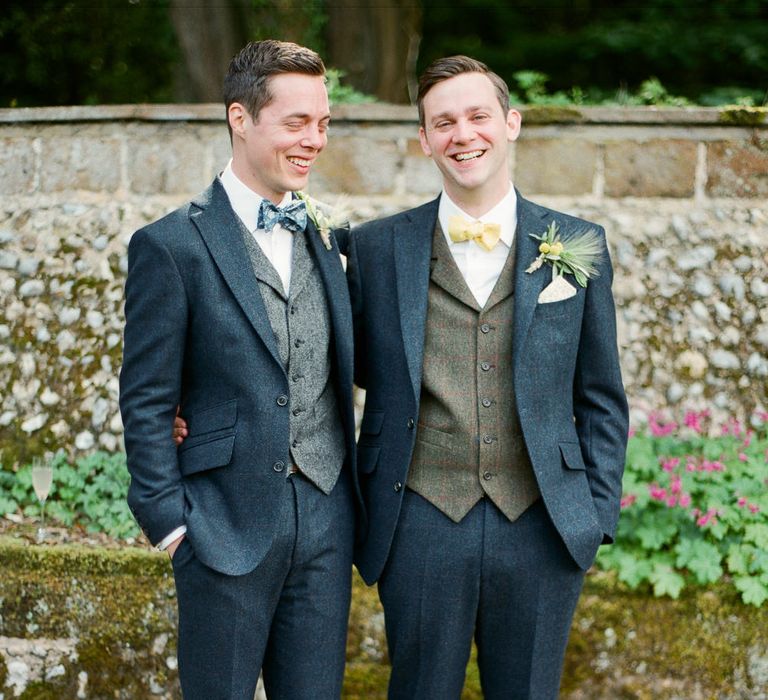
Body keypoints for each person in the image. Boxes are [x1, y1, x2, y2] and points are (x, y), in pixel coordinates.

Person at [346, 55, 629, 699]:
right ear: (424, 140)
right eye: (443, 122)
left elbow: (602, 395)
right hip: (418, 520)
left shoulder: (578, 243)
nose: (462, 134)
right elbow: (334, 369)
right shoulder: (374, 249)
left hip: (542, 524)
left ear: (512, 124)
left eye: (477, 116)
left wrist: (594, 515)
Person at [119, 40, 358, 700]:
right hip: (221, 529)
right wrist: (171, 524)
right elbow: (144, 398)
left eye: (323, 122)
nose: (315, 139)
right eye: (297, 122)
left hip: (327, 528)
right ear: (240, 118)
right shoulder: (170, 246)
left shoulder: (328, 235)